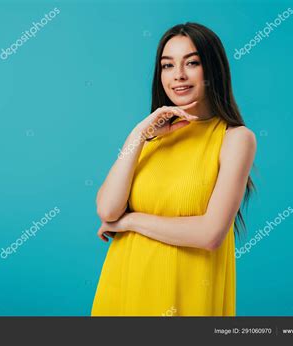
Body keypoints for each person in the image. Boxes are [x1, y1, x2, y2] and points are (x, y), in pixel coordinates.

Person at [92, 22, 256, 316]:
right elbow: (107, 210)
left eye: (191, 62)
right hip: (123, 289)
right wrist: (138, 135)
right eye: (167, 66)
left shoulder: (235, 139)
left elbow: (210, 234)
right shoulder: (151, 138)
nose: (178, 75)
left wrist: (130, 223)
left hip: (187, 296)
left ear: (213, 70)